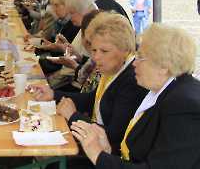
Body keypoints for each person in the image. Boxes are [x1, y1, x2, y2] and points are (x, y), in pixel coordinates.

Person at [71, 23, 200, 169]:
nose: (134, 64)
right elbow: (138, 154)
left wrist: (99, 157)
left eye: (140, 58)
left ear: (164, 66)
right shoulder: (163, 91)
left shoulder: (185, 105)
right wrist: (108, 151)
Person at [32, 12, 148, 168]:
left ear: (125, 50)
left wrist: (73, 116)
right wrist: (52, 94)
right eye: (94, 50)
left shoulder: (131, 80)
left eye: (104, 51)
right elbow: (93, 100)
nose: (97, 57)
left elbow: (114, 135)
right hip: (97, 146)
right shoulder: (115, 70)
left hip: (110, 157)